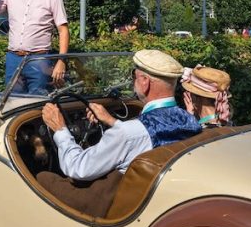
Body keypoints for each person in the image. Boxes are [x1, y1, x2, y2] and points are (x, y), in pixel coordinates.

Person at [37, 50, 201, 214]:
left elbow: (78, 168)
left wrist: (60, 129)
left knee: (42, 177)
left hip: (111, 205)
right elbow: (141, 137)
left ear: (145, 82)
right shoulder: (189, 119)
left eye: (133, 75)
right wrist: (112, 122)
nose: (132, 80)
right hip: (153, 199)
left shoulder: (129, 133)